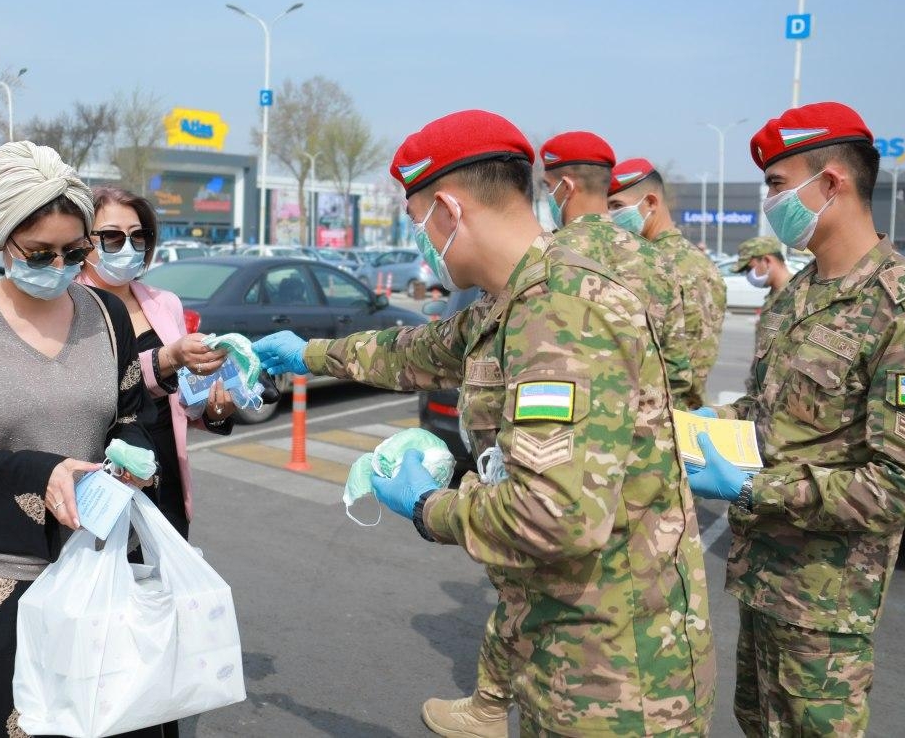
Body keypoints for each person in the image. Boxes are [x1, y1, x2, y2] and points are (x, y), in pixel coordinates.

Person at [254, 110, 715, 737]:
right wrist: (305, 354)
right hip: (569, 645)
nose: (419, 238)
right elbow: (419, 351)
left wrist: (426, 505)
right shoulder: (520, 295)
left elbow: (553, 517)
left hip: (616, 681)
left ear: (448, 210)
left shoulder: (559, 313)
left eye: (416, 222)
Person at [685, 102, 905, 737]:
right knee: (754, 720)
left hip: (827, 602)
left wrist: (753, 488)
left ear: (831, 183)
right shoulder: (797, 294)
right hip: (761, 577)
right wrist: (696, 425)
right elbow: (765, 415)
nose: (769, 201)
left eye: (776, 184)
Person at [0, 141, 162, 738]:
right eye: (40, 254)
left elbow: (129, 411)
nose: (60, 268)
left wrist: (133, 452)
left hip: (102, 572)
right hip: (3, 584)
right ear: (2, 243)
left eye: (75, 252)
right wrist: (37, 473)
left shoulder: (107, 315)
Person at [79, 186, 236, 539]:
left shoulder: (165, 303)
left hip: (165, 473)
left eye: (139, 237)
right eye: (113, 237)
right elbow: (101, 383)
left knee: (165, 586)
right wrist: (168, 357)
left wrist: (216, 410)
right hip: (99, 477)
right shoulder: (70, 304)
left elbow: (183, 397)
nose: (129, 248)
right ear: (83, 241)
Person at [540, 131, 693, 407]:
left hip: (570, 437)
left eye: (546, 187)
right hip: (645, 437)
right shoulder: (657, 259)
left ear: (565, 187)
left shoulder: (543, 256)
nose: (548, 195)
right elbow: (677, 371)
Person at [606, 159, 726, 409]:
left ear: (651, 203)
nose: (611, 217)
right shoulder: (702, 263)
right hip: (692, 411)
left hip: (660, 418)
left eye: (617, 206)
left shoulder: (648, 266)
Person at [732, 235, 793, 322]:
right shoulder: (774, 295)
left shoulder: (797, 293)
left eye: (749, 268)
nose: (748, 274)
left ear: (767, 261)